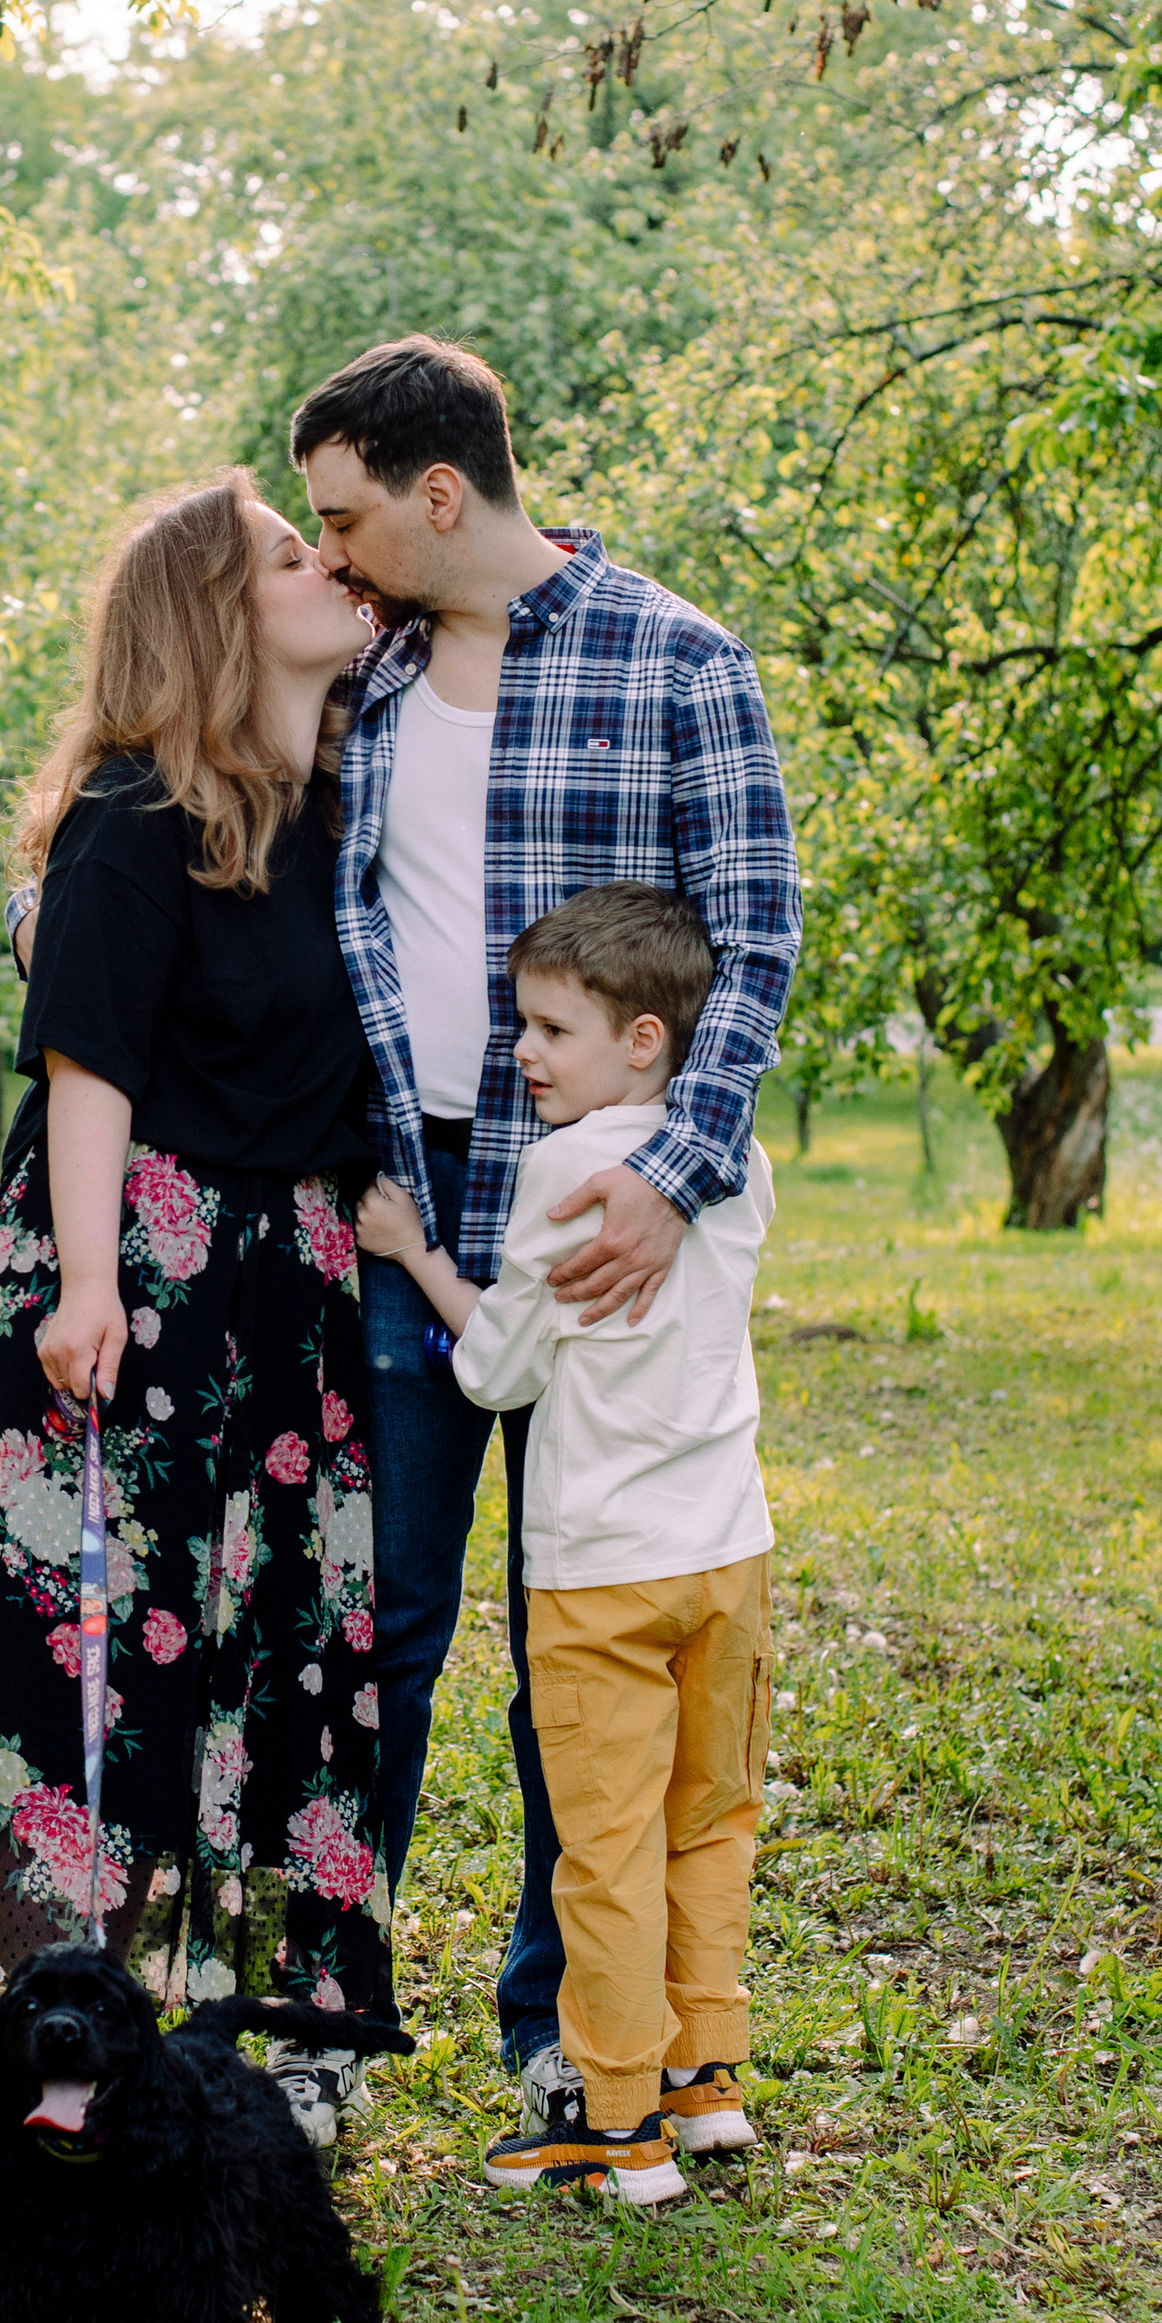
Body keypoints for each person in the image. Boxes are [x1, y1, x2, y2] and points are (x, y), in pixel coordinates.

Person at [291, 334, 798, 2173]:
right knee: (380, 1627)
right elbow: (200, 796)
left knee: (569, 1649)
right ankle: (324, 2016)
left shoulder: (679, 659)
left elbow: (757, 937)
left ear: (443, 494)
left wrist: (676, 1162)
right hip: (413, 1211)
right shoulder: (357, 669)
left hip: (607, 1215)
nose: (326, 552)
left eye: (346, 515)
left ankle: (568, 2039)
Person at [0, 474, 396, 2143]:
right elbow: (87, 1056)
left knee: (274, 1661)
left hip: (289, 1298)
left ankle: (265, 2048)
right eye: (291, 553)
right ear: (217, 615)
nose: (333, 567)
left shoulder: (334, 794)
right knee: (87, 1678)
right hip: (127, 1288)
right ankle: (57, 2082)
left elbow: (500, 576)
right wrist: (90, 1281)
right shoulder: (134, 813)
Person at [358, 885, 774, 2202]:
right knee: (710, 1821)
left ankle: (612, 2119)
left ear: (644, 1039)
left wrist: (416, 1253)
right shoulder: (741, 1165)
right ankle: (706, 2078)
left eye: (550, 1027)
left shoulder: (558, 1172)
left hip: (603, 1573)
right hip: (731, 1553)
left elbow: (494, 1371)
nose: (522, 1053)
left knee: (602, 1846)